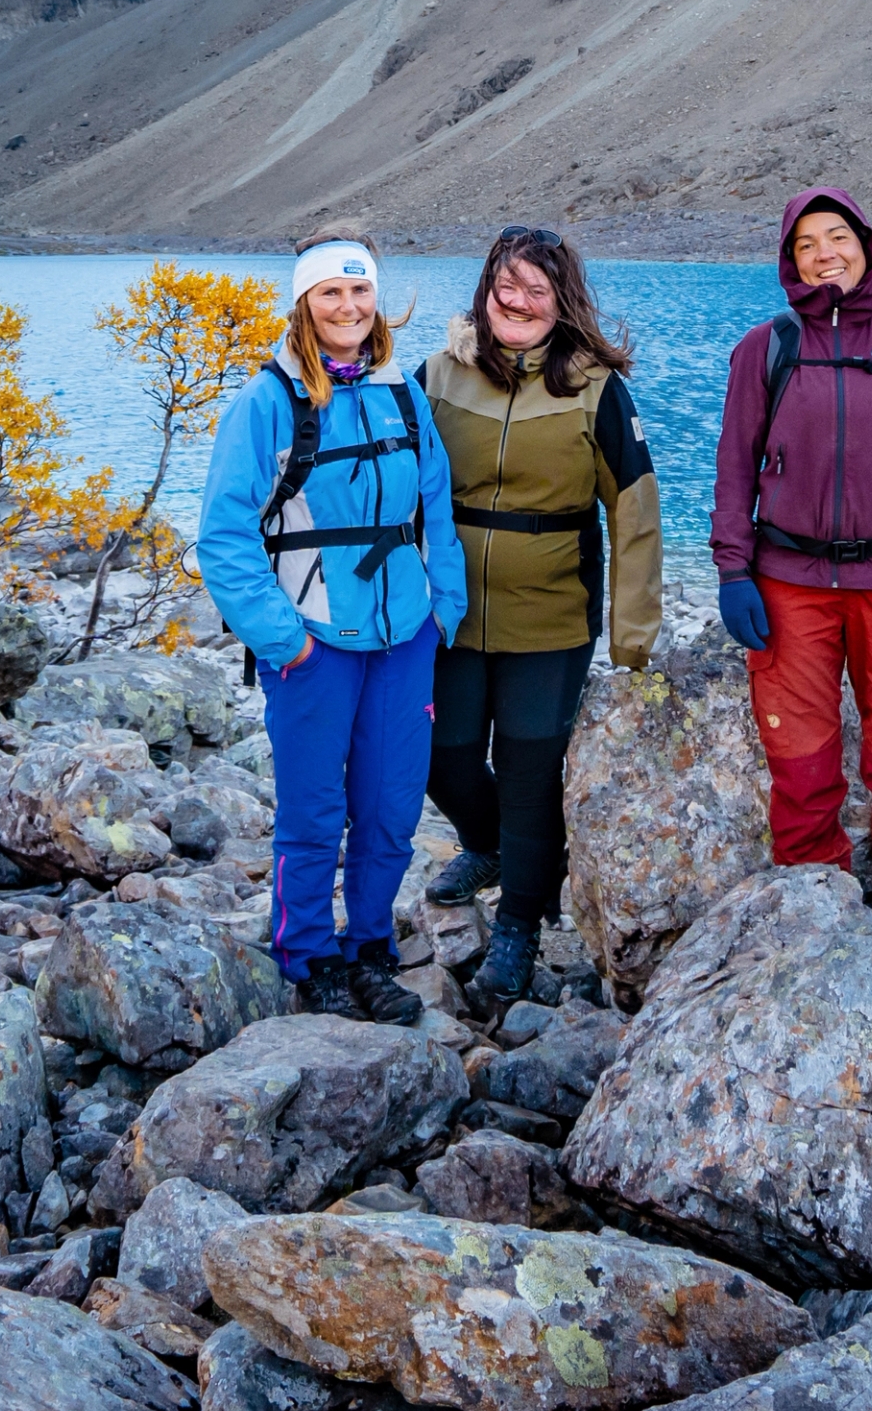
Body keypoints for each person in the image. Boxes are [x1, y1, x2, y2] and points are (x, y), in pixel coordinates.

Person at [196, 228, 466, 1025]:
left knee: (390, 808)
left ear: (375, 298)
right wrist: (289, 644)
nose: (347, 306)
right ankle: (309, 956)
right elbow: (222, 536)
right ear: (304, 303)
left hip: (404, 639)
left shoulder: (404, 395)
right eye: (330, 293)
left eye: (359, 290)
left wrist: (441, 614)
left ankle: (371, 947)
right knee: (314, 811)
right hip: (314, 644)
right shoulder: (266, 403)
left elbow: (436, 514)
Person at [708, 188, 872, 932]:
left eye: (838, 237)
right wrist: (734, 570)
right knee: (801, 758)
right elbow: (734, 468)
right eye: (806, 244)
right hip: (789, 581)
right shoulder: (766, 349)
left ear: (866, 245)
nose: (826, 253)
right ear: (789, 261)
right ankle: (813, 892)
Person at [419, 225, 663, 1006]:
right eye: (506, 286)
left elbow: (635, 515)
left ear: (563, 302)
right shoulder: (437, 373)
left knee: (530, 770)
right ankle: (490, 845)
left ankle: (523, 919)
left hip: (553, 610)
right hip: (448, 611)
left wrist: (632, 641)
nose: (518, 302)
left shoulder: (594, 388)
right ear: (486, 288)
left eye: (537, 290)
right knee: (441, 753)